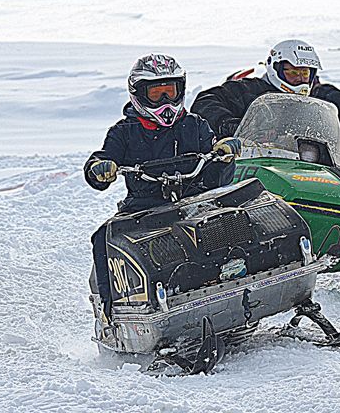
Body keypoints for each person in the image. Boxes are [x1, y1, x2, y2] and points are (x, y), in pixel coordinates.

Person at [85, 54, 241, 321]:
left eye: (171, 91)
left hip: (194, 199)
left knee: (237, 219)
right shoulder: (124, 131)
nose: (166, 102)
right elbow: (103, 157)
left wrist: (224, 154)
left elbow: (218, 176)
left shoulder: (195, 125)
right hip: (144, 206)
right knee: (104, 238)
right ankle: (110, 313)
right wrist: (101, 167)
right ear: (139, 95)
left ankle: (243, 279)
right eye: (157, 94)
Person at [190, 39, 340, 141]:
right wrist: (230, 124)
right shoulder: (248, 90)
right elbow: (206, 101)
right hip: (253, 162)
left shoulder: (319, 100)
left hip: (306, 167)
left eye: (304, 73)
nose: (300, 79)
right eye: (293, 72)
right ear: (276, 68)